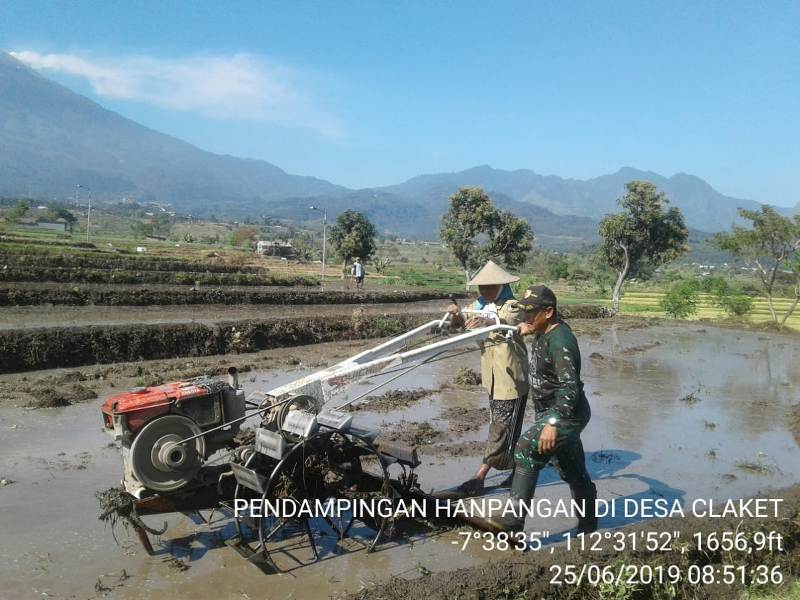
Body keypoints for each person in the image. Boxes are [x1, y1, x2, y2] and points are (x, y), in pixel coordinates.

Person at [483, 284, 597, 534]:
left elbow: (570, 387)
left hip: (565, 413)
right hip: (554, 412)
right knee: (572, 469)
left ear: (548, 312)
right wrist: (527, 329)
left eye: (530, 313)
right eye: (523, 312)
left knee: (525, 448)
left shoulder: (561, 342)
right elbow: (533, 329)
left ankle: (513, 519)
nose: (525, 318)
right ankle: (589, 526)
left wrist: (552, 423)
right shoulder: (545, 329)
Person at [448, 260, 529, 494]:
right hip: (492, 378)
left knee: (502, 427)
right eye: (481, 287)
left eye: (488, 286)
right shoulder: (479, 305)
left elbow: (512, 321)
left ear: (501, 285)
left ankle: (480, 475)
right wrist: (455, 315)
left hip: (511, 377)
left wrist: (490, 321)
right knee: (504, 425)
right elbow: (461, 324)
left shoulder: (512, 305)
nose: (483, 291)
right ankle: (518, 471)